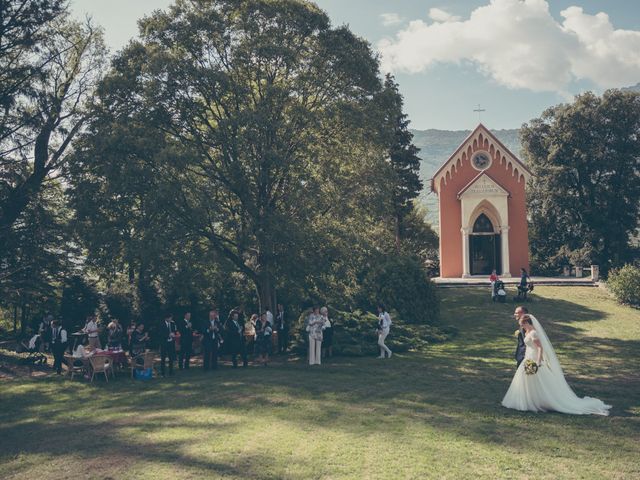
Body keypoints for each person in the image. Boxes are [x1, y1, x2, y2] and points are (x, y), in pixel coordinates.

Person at [502, 314, 611, 415]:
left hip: (534, 359)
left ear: (527, 323)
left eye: (522, 323)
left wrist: (538, 361)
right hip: (527, 358)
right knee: (525, 380)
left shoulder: (534, 333)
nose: (521, 325)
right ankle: (527, 400)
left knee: (538, 381)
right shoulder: (526, 332)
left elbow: (540, 348)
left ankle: (541, 401)